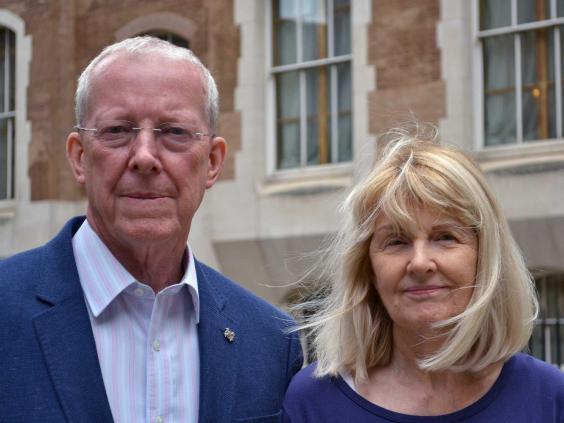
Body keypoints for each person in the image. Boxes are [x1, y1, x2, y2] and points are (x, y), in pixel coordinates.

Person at [0, 36, 302, 423]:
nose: (144, 157)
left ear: (212, 162)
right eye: (117, 130)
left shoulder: (272, 341)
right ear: (79, 157)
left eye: (174, 132)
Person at [283, 128, 564, 422]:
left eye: (445, 237)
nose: (419, 263)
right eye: (396, 241)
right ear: (368, 269)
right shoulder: (311, 404)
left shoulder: (549, 399)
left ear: (485, 256)